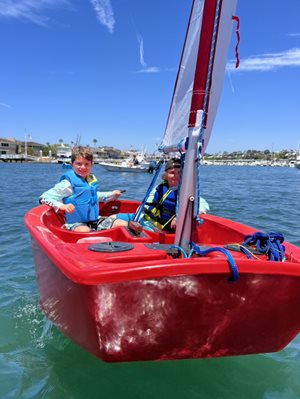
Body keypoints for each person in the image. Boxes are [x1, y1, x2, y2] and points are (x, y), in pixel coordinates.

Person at [39, 146, 131, 232]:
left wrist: (111, 194)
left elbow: (94, 195)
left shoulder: (90, 179)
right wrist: (62, 206)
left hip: (95, 220)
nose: (83, 167)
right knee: (85, 231)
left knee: (123, 224)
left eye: (86, 164)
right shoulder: (67, 184)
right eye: (79, 164)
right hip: (75, 223)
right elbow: (43, 198)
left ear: (92, 165)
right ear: (72, 164)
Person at [112, 158, 209, 233]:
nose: (176, 176)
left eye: (180, 173)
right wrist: (137, 216)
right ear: (166, 174)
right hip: (140, 218)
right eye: (172, 173)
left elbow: (203, 205)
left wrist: (181, 217)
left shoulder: (186, 192)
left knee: (113, 224)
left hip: (153, 229)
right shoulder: (159, 187)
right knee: (111, 218)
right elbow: (146, 203)